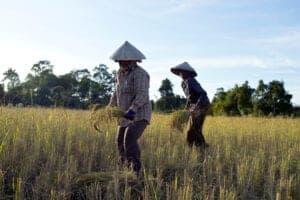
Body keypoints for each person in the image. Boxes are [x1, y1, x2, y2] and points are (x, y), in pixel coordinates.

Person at [108, 41, 151, 176]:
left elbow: (142, 94)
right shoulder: (119, 73)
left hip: (139, 114)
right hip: (125, 115)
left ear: (132, 60)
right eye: (119, 60)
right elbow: (116, 92)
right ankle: (124, 170)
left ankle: (136, 172)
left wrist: (133, 109)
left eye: (124, 60)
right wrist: (110, 107)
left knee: (129, 140)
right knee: (119, 140)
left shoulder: (140, 74)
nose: (121, 62)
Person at [170, 62, 210, 149]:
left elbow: (203, 93)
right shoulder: (183, 83)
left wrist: (196, 107)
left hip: (202, 104)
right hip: (195, 106)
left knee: (192, 129)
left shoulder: (190, 80)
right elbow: (189, 98)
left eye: (183, 72)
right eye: (180, 72)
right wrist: (185, 110)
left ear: (188, 73)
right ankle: (200, 148)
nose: (181, 74)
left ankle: (199, 147)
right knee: (195, 129)